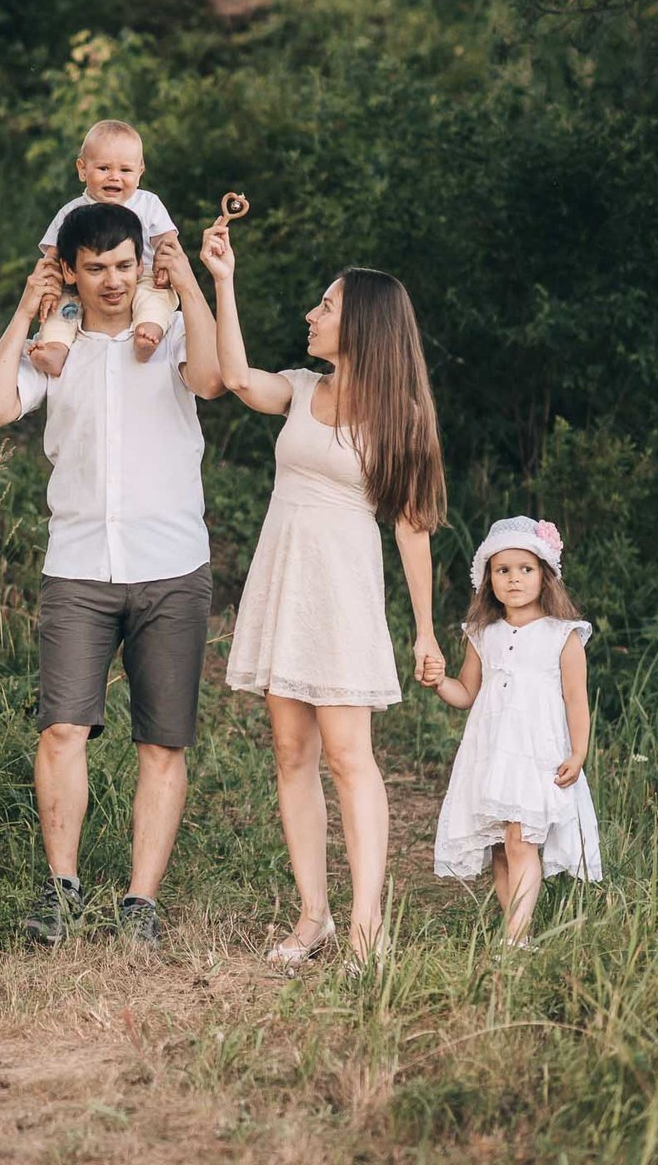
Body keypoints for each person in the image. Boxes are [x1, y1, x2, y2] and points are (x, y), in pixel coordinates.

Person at [0, 202, 223, 947]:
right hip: (78, 563)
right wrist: (25, 310)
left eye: (125, 266)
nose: (113, 281)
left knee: (162, 742)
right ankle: (62, 889)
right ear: (70, 271)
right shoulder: (58, 343)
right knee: (61, 729)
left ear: (141, 264)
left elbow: (210, 380)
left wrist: (191, 285)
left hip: (172, 563)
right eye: (97, 268)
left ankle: (140, 904)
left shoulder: (171, 328)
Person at [201, 225, 446, 968]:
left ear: (362, 324)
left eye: (327, 305)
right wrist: (223, 278)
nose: (312, 314)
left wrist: (426, 631)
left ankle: (367, 921)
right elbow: (239, 378)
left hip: (341, 592)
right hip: (285, 582)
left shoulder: (400, 417)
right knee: (290, 750)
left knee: (350, 755)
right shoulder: (302, 389)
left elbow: (412, 530)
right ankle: (315, 917)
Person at [426, 516, 602, 946]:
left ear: (545, 575)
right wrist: (438, 681)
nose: (514, 579)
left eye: (526, 569)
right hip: (491, 753)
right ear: (489, 579)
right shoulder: (482, 633)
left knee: (522, 839)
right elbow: (467, 692)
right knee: (503, 847)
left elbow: (576, 699)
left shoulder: (563, 636)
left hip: (536, 754)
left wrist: (578, 753)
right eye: (503, 571)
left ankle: (516, 938)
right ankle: (516, 932)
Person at [28, 120, 180, 375]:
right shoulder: (72, 211)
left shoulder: (148, 203)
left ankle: (149, 332)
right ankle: (56, 348)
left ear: (140, 171)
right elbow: (52, 257)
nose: (115, 177)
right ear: (82, 169)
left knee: (154, 298)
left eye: (125, 170)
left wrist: (167, 267)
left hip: (143, 277)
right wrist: (49, 289)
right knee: (62, 310)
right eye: (103, 168)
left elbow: (168, 241)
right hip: (79, 283)